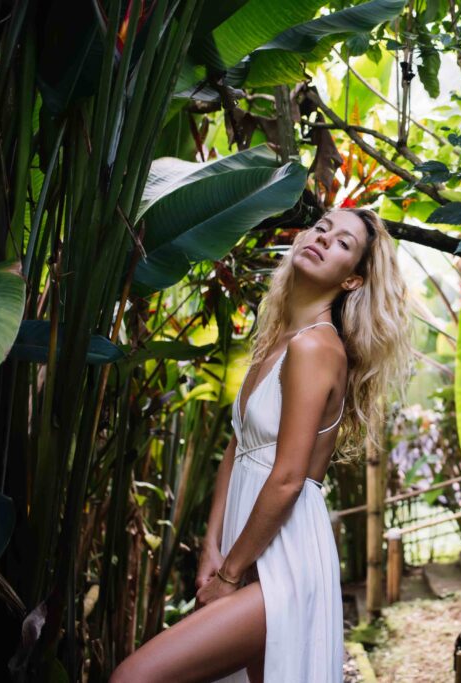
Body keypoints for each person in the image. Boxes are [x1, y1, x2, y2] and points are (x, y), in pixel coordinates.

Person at [111, 208, 414, 682]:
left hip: (285, 561)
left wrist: (231, 573)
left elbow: (290, 477)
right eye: (321, 228)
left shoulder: (315, 347)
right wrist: (212, 546)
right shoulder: (276, 341)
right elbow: (240, 448)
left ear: (353, 281)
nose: (324, 239)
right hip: (247, 546)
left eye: (343, 244)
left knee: (134, 677)